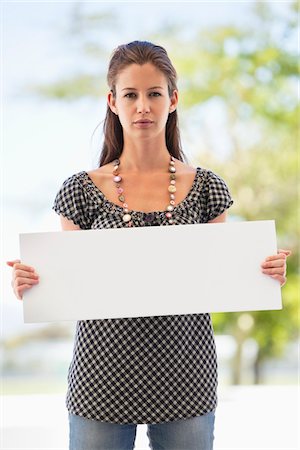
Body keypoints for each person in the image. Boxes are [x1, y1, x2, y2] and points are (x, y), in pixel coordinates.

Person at [7, 41, 290, 450]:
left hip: (185, 377)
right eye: (131, 95)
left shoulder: (208, 188)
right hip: (101, 379)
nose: (143, 106)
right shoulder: (80, 191)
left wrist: (263, 273)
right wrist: (31, 283)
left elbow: (223, 277)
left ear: (173, 100)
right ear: (112, 101)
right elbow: (70, 286)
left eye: (154, 94)